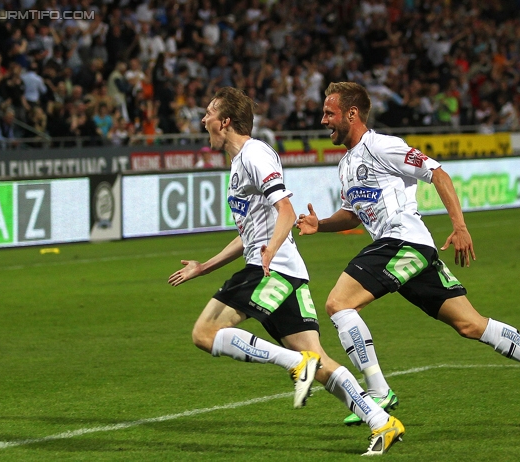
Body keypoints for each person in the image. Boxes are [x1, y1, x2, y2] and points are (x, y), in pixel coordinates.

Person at [296, 82, 520, 427]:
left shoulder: (382, 146)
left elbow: (438, 174)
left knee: (338, 304)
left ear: (352, 114)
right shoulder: (346, 165)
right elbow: (353, 214)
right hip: (402, 251)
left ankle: (377, 391)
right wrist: (322, 225)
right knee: (470, 324)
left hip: (403, 242)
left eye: (329, 113)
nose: (323, 120)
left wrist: (460, 226)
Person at [168, 87, 404, 456]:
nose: (203, 120)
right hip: (284, 271)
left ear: (226, 121)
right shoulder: (238, 164)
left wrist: (270, 252)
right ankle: (382, 422)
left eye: (209, 113)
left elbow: (287, 211)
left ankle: (296, 363)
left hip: (269, 270)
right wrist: (204, 267)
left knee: (205, 332)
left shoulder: (254, 153)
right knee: (322, 362)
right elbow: (248, 234)